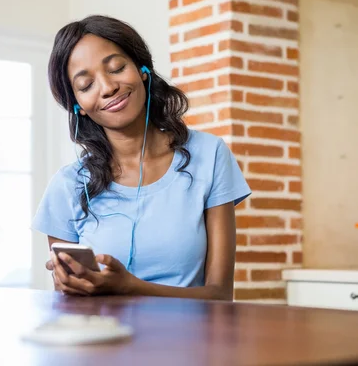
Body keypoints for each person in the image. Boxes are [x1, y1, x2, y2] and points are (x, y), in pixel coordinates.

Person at [31, 15, 251, 301]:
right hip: (103, 342)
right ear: (78, 106)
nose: (108, 88)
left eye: (117, 68)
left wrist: (131, 288)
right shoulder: (68, 184)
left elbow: (220, 296)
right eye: (86, 86)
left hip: (189, 343)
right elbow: (70, 303)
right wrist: (68, 285)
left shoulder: (209, 155)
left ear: (142, 68)